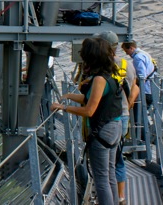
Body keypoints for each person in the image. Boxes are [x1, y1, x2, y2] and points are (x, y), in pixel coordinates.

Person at [52, 38, 122, 205]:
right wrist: (69, 96)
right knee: (110, 173)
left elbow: (89, 110)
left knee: (101, 179)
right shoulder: (108, 76)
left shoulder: (98, 80)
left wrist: (63, 108)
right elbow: (91, 99)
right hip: (114, 127)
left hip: (102, 130)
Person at [96, 31, 139, 205]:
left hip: (105, 118)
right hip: (123, 116)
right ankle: (120, 196)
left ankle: (108, 198)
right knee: (118, 157)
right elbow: (134, 87)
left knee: (104, 164)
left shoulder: (101, 67)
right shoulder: (126, 64)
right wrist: (128, 104)